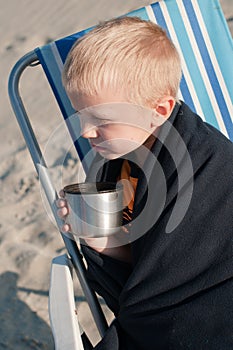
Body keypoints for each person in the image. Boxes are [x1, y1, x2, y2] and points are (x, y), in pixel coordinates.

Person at [57, 17, 233, 349]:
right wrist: (100, 239)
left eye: (102, 121)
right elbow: (150, 271)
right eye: (80, 116)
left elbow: (173, 284)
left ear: (159, 110)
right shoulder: (120, 162)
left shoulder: (205, 165)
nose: (84, 132)